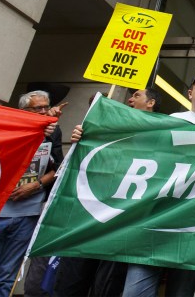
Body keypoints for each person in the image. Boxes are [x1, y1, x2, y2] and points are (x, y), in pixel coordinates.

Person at [122, 70, 195, 297]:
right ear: (191, 93)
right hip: (156, 219)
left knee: (181, 292)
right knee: (135, 292)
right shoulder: (171, 121)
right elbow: (133, 149)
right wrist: (87, 134)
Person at [54, 89, 162, 296]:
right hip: (87, 219)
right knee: (71, 282)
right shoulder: (111, 126)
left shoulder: (162, 135)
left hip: (122, 225)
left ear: (151, 103)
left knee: (107, 287)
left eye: (137, 95)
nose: (129, 99)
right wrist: (82, 138)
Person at [0, 91, 60, 297]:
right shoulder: (6, 129)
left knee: (7, 278)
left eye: (46, 107)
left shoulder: (53, 132)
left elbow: (58, 168)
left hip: (27, 215)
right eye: (38, 108)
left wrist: (36, 185)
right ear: (23, 111)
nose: (44, 112)